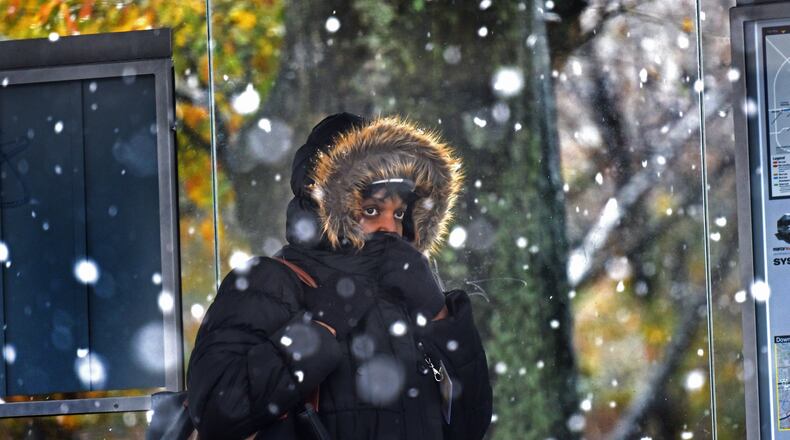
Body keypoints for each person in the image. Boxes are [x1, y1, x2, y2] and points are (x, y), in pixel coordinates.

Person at [186, 113, 492, 440]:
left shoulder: (408, 300)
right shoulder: (270, 281)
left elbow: (469, 426)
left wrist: (441, 315)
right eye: (373, 210)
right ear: (329, 207)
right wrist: (319, 328)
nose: (391, 227)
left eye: (400, 213)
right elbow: (215, 410)